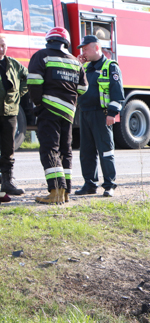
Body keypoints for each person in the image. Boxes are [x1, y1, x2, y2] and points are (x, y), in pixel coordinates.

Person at [27, 27, 87, 204]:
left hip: (49, 110)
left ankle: (55, 191)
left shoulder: (42, 56)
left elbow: (34, 81)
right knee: (65, 151)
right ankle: (65, 192)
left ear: (49, 40)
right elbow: (83, 89)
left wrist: (39, 104)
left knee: (49, 149)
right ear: (65, 43)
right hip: (68, 112)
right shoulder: (75, 62)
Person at [74, 35, 124, 198]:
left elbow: (118, 94)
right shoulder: (85, 67)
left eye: (86, 49)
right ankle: (90, 184)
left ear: (96, 47)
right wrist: (78, 66)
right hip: (85, 112)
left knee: (106, 151)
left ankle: (109, 185)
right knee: (86, 152)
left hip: (101, 114)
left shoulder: (110, 67)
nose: (84, 52)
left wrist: (112, 114)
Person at [0, 33, 29, 197]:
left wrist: (19, 92)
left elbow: (27, 78)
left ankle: (7, 182)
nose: (0, 48)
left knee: (8, 148)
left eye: (3, 45)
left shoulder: (14, 64)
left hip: (10, 112)